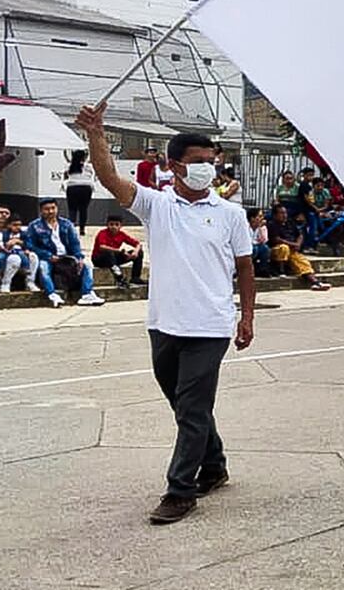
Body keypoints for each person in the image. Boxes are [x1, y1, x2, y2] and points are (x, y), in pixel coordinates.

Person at [76, 101, 256, 525]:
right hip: (163, 325)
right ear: (175, 166)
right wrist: (96, 134)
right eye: (198, 162)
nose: (208, 169)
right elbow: (108, 177)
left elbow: (246, 268)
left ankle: (181, 490)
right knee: (185, 405)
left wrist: (246, 317)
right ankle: (214, 466)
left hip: (209, 326)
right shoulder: (157, 206)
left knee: (192, 408)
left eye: (212, 162)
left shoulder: (231, 214)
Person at [24, 199, 105, 307]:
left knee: (87, 265)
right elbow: (30, 245)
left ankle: (87, 294)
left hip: (66, 256)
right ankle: (52, 294)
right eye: (47, 209)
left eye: (53, 208)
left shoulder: (66, 224)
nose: (50, 211)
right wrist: (47, 255)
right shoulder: (34, 226)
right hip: (48, 257)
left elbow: (74, 243)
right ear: (41, 211)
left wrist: (78, 257)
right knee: (44, 267)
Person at [267, 205, 332, 291]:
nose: (284, 215)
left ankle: (315, 282)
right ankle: (280, 270)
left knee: (302, 262)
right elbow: (276, 239)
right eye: (281, 213)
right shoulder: (271, 224)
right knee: (283, 248)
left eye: (285, 213)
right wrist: (292, 244)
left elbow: (300, 235)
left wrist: (298, 244)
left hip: (292, 250)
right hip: (278, 250)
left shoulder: (289, 222)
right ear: (275, 215)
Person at [0, 205, 30, 294]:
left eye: (6, 213)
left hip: (13, 257)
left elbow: (28, 243)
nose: (3, 215)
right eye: (1, 212)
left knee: (16, 258)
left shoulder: (20, 231)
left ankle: (10, 283)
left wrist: (19, 242)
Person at [93, 214, 146, 289]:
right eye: (111, 224)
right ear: (107, 225)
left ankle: (135, 277)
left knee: (140, 252)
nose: (114, 227)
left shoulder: (121, 234)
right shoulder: (102, 233)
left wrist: (135, 252)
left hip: (114, 258)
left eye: (116, 224)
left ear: (120, 226)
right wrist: (119, 251)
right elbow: (102, 247)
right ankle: (119, 278)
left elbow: (137, 244)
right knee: (108, 253)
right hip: (100, 259)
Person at [63, 150, 96, 235]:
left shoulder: (69, 166)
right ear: (84, 157)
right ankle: (82, 229)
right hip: (86, 188)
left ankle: (71, 228)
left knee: (72, 209)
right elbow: (92, 175)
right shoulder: (88, 166)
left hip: (72, 187)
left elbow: (65, 176)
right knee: (83, 209)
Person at [247, 209, 273, 277]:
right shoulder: (246, 227)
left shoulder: (262, 227)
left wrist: (260, 229)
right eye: (260, 216)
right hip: (248, 247)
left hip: (257, 246)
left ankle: (262, 270)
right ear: (252, 218)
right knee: (254, 249)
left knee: (265, 248)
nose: (262, 218)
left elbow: (264, 240)